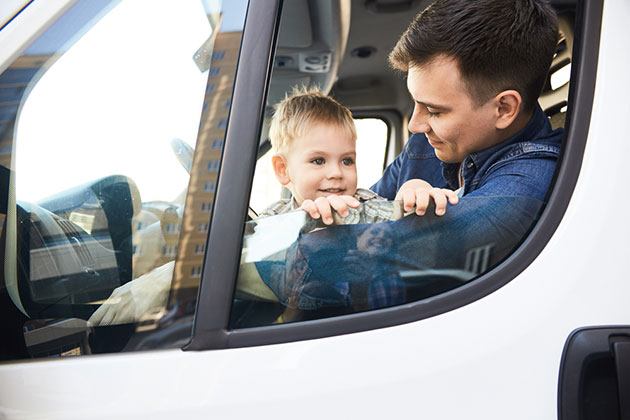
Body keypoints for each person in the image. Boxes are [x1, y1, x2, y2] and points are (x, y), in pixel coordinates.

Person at [260, 86, 458, 224]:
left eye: (347, 160)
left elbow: (399, 224)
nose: (336, 172)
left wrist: (415, 189)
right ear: (283, 169)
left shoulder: (365, 204)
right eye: (318, 160)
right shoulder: (274, 219)